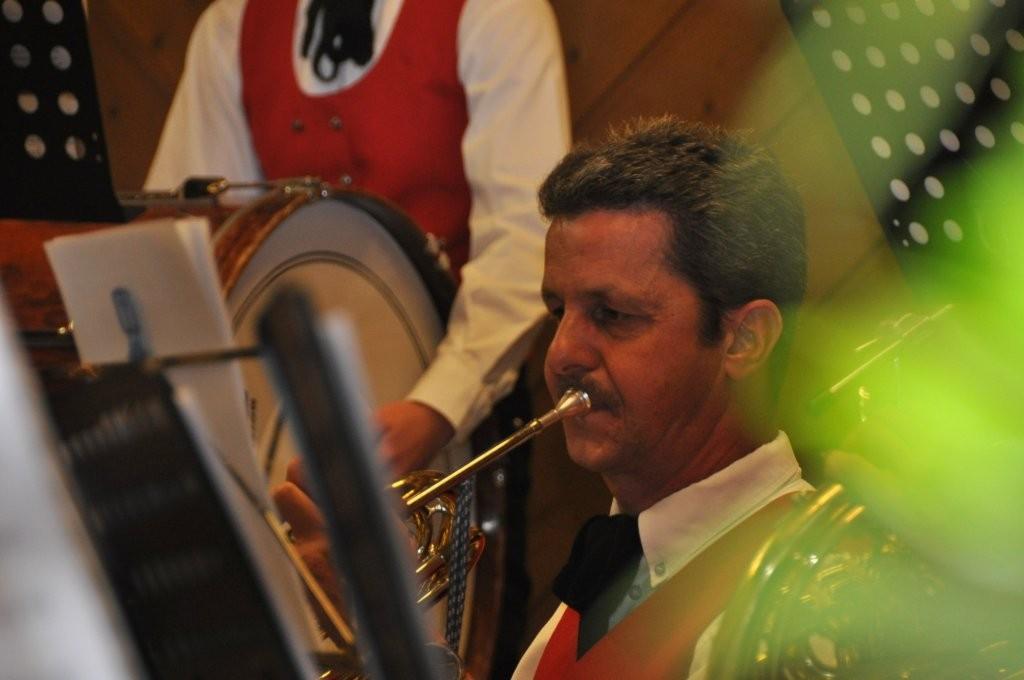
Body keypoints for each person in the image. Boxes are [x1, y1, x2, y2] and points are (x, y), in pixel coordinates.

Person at [274, 116, 811, 677]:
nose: (561, 353)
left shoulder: (801, 598)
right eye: (558, 311)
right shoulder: (609, 571)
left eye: (612, 314)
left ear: (744, 340)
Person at [146, 0, 570, 474]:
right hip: (278, 419)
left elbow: (525, 241)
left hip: (454, 423)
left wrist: (438, 407)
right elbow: (192, 239)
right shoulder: (234, 23)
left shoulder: (497, 11)